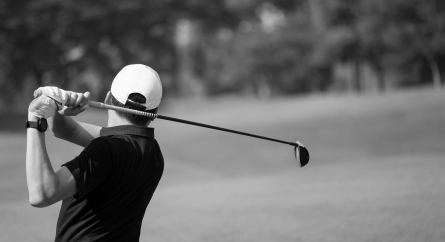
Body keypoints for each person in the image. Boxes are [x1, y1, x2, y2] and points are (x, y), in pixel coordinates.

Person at [26, 64, 165, 241]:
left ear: (108, 98)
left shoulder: (106, 149)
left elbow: (42, 194)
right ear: (154, 113)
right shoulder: (153, 152)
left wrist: (35, 118)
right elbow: (66, 131)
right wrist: (58, 107)